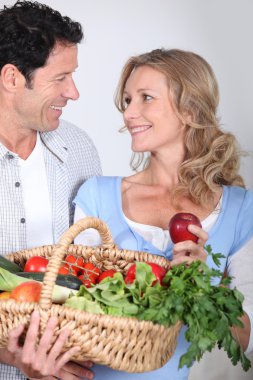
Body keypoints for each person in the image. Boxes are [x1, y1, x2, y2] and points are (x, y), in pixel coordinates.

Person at [73, 48, 253, 379]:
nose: (129, 114)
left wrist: (204, 287)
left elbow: (244, 339)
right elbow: (72, 303)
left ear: (190, 109)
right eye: (128, 100)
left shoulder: (242, 209)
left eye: (146, 98)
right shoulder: (95, 196)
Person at [0, 1, 101, 379]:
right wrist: (13, 356)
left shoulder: (79, 149)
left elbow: (92, 267)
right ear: (12, 78)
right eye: (60, 78)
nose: (73, 92)